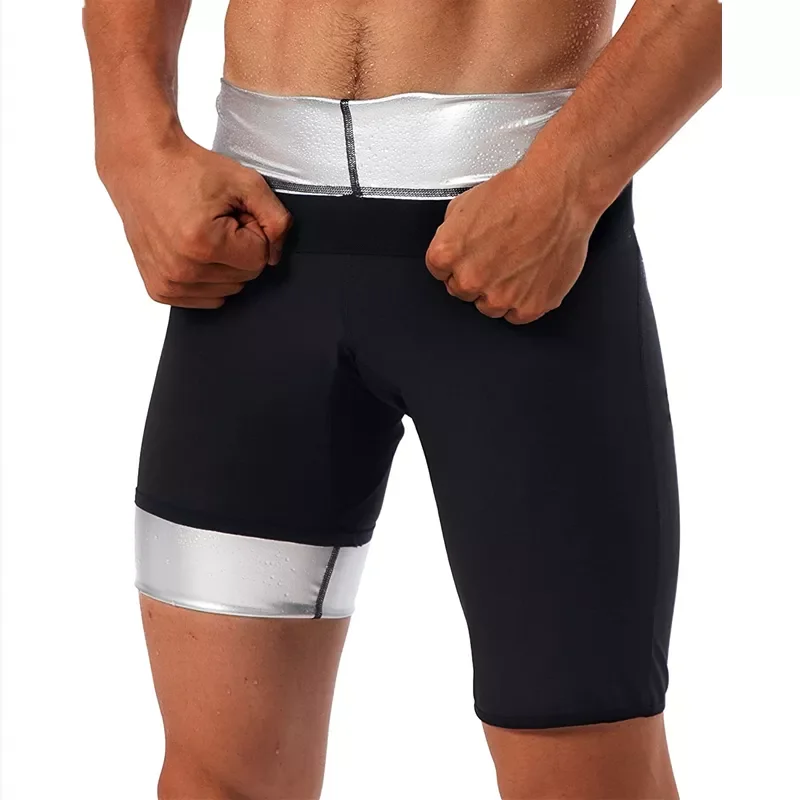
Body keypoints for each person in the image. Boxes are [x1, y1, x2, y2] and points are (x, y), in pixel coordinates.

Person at [84, 0, 720, 796]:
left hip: (520, 243)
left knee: (586, 775)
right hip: (254, 254)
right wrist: (134, 140)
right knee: (214, 782)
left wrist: (568, 182)